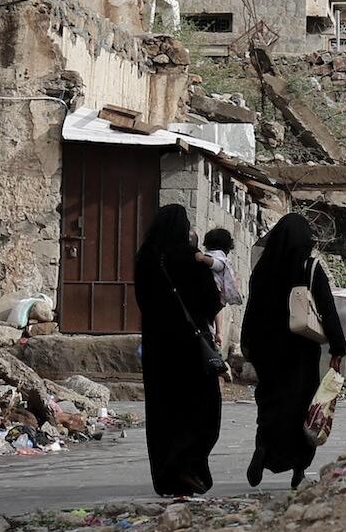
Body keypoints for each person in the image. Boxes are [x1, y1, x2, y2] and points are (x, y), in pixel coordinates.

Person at [242, 213, 346, 489]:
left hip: (267, 351)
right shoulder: (309, 268)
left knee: (270, 405)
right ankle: (299, 470)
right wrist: (338, 347)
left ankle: (263, 448)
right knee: (301, 409)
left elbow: (251, 311)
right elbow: (327, 308)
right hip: (300, 352)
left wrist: (248, 346)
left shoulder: (262, 270)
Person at [133, 204, 223, 498]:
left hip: (159, 349)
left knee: (164, 413)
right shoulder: (189, 258)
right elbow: (212, 301)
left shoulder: (145, 259)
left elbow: (142, 300)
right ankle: (189, 466)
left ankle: (169, 476)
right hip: (191, 350)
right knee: (203, 409)